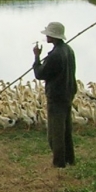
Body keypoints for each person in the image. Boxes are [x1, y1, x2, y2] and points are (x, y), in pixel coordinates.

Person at [32, 21, 77, 168]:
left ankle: (59, 163)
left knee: (55, 132)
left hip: (57, 96)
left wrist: (37, 57)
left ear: (53, 36)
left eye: (48, 34)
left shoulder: (55, 55)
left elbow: (40, 74)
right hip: (68, 93)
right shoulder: (68, 50)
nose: (46, 37)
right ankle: (70, 159)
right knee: (66, 129)